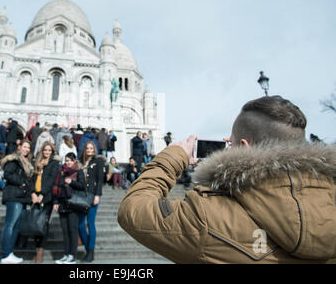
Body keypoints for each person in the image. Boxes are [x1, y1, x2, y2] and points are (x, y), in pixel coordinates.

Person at [118, 95, 336, 263]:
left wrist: (173, 156)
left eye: (230, 145)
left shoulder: (207, 216)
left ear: (244, 147)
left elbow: (133, 210)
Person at [0, 139, 37, 264]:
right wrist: (21, 182)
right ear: (19, 147)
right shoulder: (14, 159)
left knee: (16, 226)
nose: (26, 149)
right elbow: (7, 174)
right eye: (24, 147)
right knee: (10, 225)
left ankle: (10, 252)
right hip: (14, 195)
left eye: (28, 148)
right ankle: (5, 254)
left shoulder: (28, 162)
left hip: (22, 197)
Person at [53, 152, 86, 264]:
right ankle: (66, 254)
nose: (68, 163)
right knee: (65, 231)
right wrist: (56, 202)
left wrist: (72, 182)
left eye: (70, 160)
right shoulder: (61, 172)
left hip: (73, 204)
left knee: (72, 230)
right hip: (63, 204)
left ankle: (72, 255)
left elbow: (82, 186)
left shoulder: (78, 171)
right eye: (66, 160)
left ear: (74, 161)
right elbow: (58, 189)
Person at [32, 141, 62, 263]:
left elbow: (51, 180)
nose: (47, 152)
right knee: (34, 224)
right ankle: (36, 249)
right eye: (45, 150)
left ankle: (41, 251)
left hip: (47, 197)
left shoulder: (54, 164)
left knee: (43, 224)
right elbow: (33, 178)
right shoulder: (37, 163)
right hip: (35, 197)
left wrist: (42, 194)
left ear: (52, 152)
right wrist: (33, 193)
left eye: (49, 150)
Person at [78, 141, 104, 263]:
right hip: (81, 197)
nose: (89, 150)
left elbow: (100, 180)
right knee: (80, 225)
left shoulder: (98, 161)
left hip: (93, 195)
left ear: (94, 150)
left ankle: (90, 251)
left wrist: (97, 195)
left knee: (91, 223)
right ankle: (88, 247)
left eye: (91, 148)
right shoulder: (81, 162)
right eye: (87, 148)